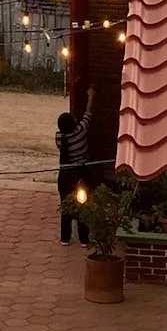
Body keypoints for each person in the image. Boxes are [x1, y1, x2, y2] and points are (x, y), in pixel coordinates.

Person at [56, 86, 96, 244]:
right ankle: (84, 239)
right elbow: (88, 113)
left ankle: (65, 238)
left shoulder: (59, 138)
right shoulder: (80, 132)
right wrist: (90, 95)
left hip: (65, 176)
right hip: (81, 175)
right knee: (82, 205)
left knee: (66, 206)